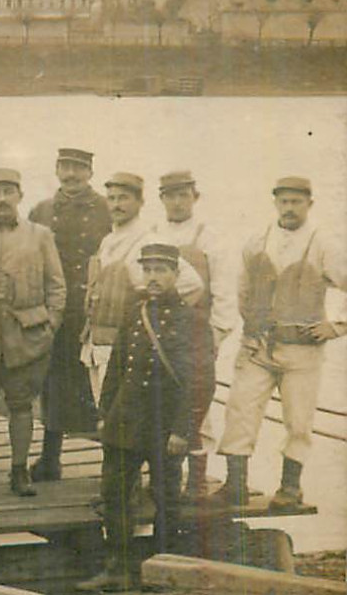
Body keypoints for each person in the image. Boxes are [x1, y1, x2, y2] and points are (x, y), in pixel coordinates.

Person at [77, 244, 213, 591]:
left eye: (161, 271)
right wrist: (105, 413)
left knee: (166, 497)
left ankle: (164, 569)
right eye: (148, 270)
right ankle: (118, 568)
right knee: (114, 492)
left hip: (165, 423)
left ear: (175, 275)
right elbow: (117, 368)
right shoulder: (135, 312)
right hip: (126, 417)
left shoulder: (192, 320)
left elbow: (202, 382)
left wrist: (183, 429)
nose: (153, 277)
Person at [216, 176, 347, 514]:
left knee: (298, 420)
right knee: (240, 410)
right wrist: (251, 327)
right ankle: (236, 484)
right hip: (258, 346)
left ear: (309, 204)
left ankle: (290, 487)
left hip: (302, 350)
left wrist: (338, 325)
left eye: (296, 202)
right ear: (275, 202)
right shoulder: (257, 241)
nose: (289, 208)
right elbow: (242, 290)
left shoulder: (324, 244)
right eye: (284, 202)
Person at [0, 169, 66, 498]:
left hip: (27, 336)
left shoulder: (40, 235)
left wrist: (50, 326)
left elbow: (56, 286)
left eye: (9, 191)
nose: (3, 198)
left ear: (20, 196)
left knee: (22, 405)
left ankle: (19, 471)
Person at [80, 172, 204, 421]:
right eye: (112, 198)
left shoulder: (149, 239)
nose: (116, 204)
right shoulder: (108, 240)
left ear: (140, 202)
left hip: (126, 346)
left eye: (124, 198)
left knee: (126, 420)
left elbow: (192, 283)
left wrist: (159, 320)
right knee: (104, 411)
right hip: (98, 342)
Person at [154, 170, 239, 494]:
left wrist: (215, 335)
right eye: (170, 195)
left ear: (195, 197)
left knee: (197, 402)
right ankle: (166, 476)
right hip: (160, 335)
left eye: (183, 195)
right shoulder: (153, 233)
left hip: (196, 335)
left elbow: (225, 292)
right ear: (161, 199)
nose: (176, 202)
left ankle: (197, 476)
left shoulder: (210, 237)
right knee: (161, 401)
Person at [28, 147, 110, 481]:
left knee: (102, 384)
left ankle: (112, 462)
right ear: (57, 169)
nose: (72, 174)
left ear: (90, 172)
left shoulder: (107, 209)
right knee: (53, 383)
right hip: (56, 311)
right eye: (66, 167)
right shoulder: (42, 211)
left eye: (79, 168)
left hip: (94, 311)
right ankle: (51, 457)